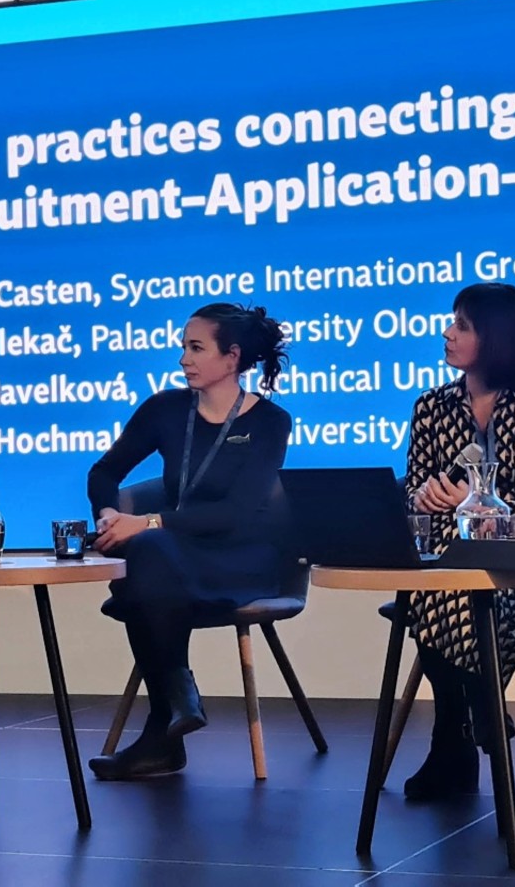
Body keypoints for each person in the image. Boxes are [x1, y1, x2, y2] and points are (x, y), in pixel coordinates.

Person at [86, 303, 291, 780]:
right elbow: (104, 472)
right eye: (183, 347)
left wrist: (148, 522)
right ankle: (176, 701)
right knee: (147, 558)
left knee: (140, 577)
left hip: (242, 558)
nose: (184, 359)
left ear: (232, 357)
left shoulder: (270, 422)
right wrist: (109, 514)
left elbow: (237, 513)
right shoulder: (164, 409)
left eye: (196, 348)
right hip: (177, 556)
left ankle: (167, 717)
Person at [401, 282, 515, 801]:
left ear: (495, 337)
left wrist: (479, 510)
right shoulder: (431, 406)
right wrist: (426, 498)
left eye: (462, 326)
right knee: (439, 588)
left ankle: (454, 738)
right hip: (446, 559)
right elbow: (412, 492)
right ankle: (484, 710)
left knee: (455, 596)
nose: (447, 333)